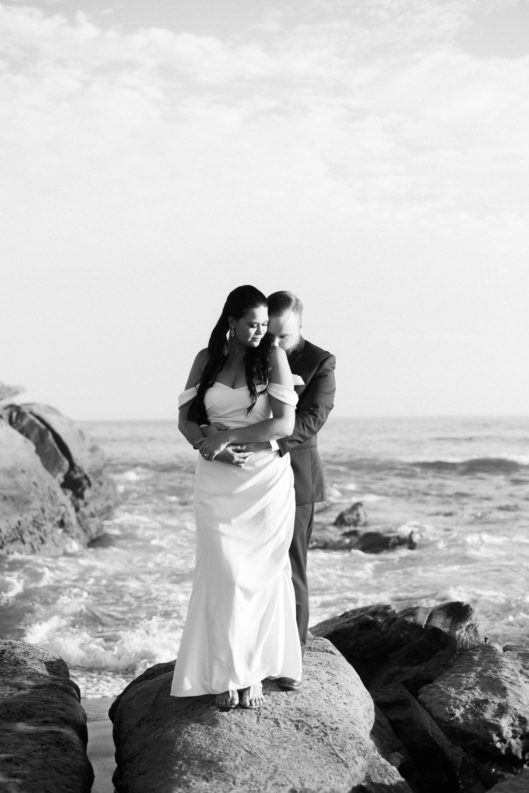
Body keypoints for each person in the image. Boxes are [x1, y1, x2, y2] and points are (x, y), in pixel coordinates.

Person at [171, 285, 302, 710]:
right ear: (231, 322)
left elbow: (282, 424)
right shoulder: (205, 360)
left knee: (257, 578)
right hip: (216, 482)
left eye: (265, 324)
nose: (260, 331)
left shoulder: (274, 358)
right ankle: (228, 672)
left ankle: (252, 673)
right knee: (224, 575)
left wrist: (226, 437)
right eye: (252, 324)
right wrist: (207, 445)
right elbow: (186, 421)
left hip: (263, 482)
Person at [266, 291, 336, 689]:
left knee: (292, 568)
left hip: (296, 476)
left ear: (300, 328)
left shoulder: (321, 361)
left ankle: (293, 658)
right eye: (271, 336)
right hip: (253, 478)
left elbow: (313, 418)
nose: (276, 345)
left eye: (285, 337)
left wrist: (267, 443)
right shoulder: (254, 352)